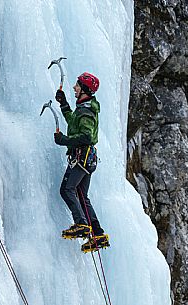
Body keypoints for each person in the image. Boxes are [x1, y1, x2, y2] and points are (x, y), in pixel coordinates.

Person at [54, 72, 109, 253]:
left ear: (84, 89)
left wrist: (63, 140)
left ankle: (81, 224)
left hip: (82, 158)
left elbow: (85, 136)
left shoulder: (86, 111)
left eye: (77, 85)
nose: (74, 88)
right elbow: (73, 123)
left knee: (67, 189)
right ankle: (98, 234)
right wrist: (64, 105)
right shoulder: (84, 108)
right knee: (81, 195)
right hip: (87, 159)